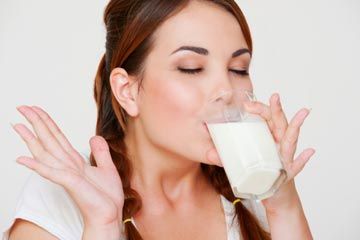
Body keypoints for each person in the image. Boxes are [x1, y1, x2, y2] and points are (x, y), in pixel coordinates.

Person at [4, 0, 315, 239]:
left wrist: (284, 206)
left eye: (238, 69)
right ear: (127, 91)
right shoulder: (64, 197)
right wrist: (103, 226)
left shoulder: (255, 193)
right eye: (192, 67)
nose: (226, 90)